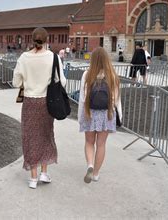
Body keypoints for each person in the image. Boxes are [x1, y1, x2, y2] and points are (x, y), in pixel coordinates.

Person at [12, 27, 67, 189]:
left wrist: (28, 82)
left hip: (30, 102)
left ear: (32, 39)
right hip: (46, 103)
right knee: (46, 135)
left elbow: (16, 82)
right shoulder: (53, 58)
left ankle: (33, 178)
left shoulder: (24, 57)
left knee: (30, 137)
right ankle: (44, 172)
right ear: (47, 40)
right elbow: (62, 81)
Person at [77, 47, 122, 183]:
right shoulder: (113, 76)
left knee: (89, 142)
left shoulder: (87, 74)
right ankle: (96, 173)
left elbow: (82, 98)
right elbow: (116, 99)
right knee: (101, 144)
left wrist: (80, 117)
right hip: (106, 113)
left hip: (89, 112)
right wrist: (119, 115)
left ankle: (90, 164)